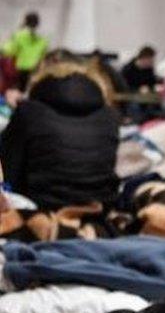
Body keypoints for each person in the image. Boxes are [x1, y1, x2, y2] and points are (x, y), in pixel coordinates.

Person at [0, 59, 120, 211]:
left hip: (42, 209)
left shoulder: (28, 112)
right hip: (100, 209)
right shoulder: (110, 116)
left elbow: (9, 169)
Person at [2, 12, 48, 91]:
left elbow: (7, 51)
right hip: (34, 72)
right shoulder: (42, 40)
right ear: (37, 24)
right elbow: (44, 57)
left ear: (25, 21)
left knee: (13, 93)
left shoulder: (18, 36)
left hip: (18, 70)